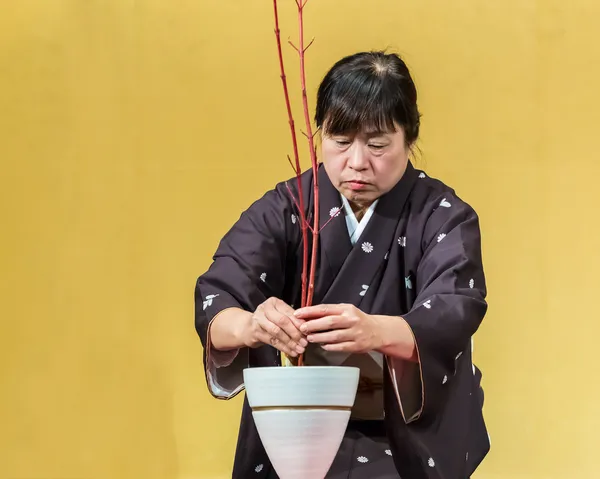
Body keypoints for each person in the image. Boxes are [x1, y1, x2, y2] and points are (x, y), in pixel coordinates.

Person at [194, 51, 490, 479]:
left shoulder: (442, 214)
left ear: (409, 138)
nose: (356, 162)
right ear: (320, 135)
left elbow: (455, 306)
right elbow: (216, 296)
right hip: (297, 438)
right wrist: (251, 325)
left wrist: (377, 331)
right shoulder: (289, 206)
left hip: (400, 437)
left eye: (377, 144)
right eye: (339, 140)